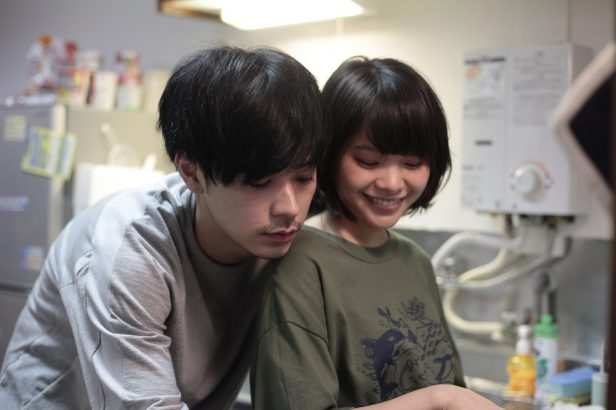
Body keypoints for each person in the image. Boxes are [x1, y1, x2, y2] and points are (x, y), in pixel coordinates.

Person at [0, 46, 328, 409]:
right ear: (191, 172)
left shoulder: (282, 234)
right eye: (259, 182)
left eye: (303, 177)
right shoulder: (131, 250)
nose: (290, 208)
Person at [251, 56, 503, 409]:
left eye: (412, 163)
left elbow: (450, 385)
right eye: (368, 161)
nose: (392, 183)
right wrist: (438, 399)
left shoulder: (415, 261)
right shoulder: (301, 265)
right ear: (328, 155)